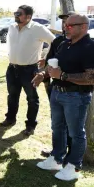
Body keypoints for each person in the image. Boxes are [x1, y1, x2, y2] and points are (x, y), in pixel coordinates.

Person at [36, 15, 94, 181]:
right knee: (57, 128)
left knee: (76, 133)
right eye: (65, 25)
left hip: (76, 96)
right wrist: (43, 74)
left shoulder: (90, 46)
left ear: (83, 27)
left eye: (69, 25)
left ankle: (73, 167)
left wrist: (63, 75)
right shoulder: (64, 44)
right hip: (57, 92)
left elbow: (91, 77)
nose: (65, 27)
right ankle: (56, 158)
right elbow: (52, 65)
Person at [0, 5, 55, 136]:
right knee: (12, 96)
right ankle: (10, 118)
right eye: (15, 12)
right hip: (12, 68)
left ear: (28, 16)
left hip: (29, 70)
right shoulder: (12, 27)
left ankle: (30, 125)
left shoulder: (38, 28)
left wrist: (46, 58)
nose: (16, 15)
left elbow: (55, 42)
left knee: (32, 98)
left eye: (19, 13)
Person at [38, 11, 75, 158]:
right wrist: (44, 77)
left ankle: (72, 155)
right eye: (64, 22)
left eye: (69, 22)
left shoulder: (84, 43)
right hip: (56, 87)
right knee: (57, 122)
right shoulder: (57, 41)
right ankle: (57, 151)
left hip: (75, 90)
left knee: (72, 124)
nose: (65, 25)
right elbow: (48, 62)